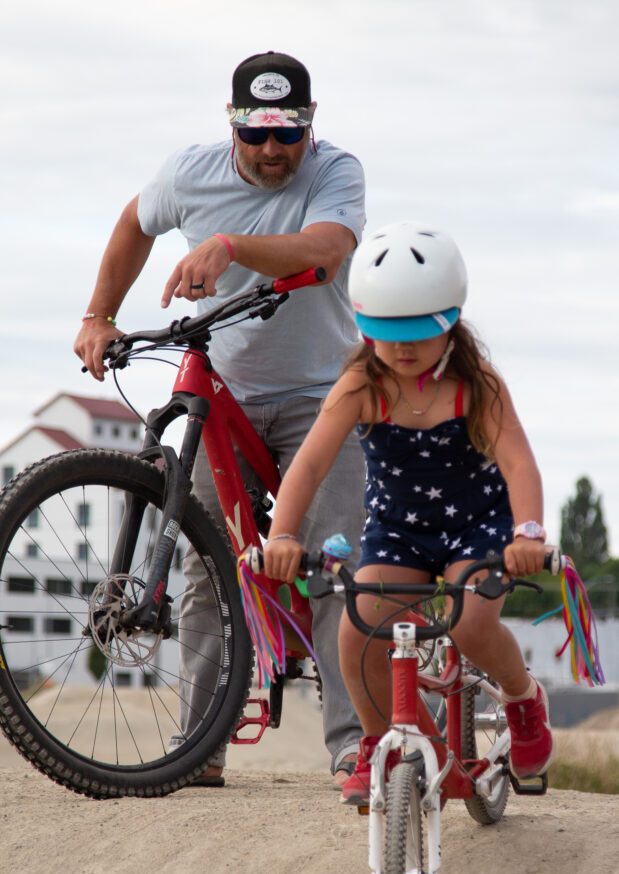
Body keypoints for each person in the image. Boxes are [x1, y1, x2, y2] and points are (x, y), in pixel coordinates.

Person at [74, 51, 367, 787]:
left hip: (321, 395)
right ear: (232, 126)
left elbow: (328, 252)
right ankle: (199, 747)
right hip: (224, 388)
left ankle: (352, 744)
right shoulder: (188, 173)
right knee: (209, 568)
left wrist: (231, 246)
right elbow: (133, 224)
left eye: (288, 133)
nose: (273, 150)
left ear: (309, 126)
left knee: (332, 563)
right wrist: (97, 314)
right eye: (257, 133)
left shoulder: (336, 172)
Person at [263, 221, 554, 805]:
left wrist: (528, 533)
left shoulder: (477, 385)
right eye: (384, 332)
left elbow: (519, 464)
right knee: (358, 627)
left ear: (450, 321)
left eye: (417, 333)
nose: (400, 348)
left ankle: (523, 700)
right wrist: (283, 534)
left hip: (479, 528)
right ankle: (382, 743)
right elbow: (310, 466)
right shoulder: (360, 384)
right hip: (399, 532)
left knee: (471, 625)